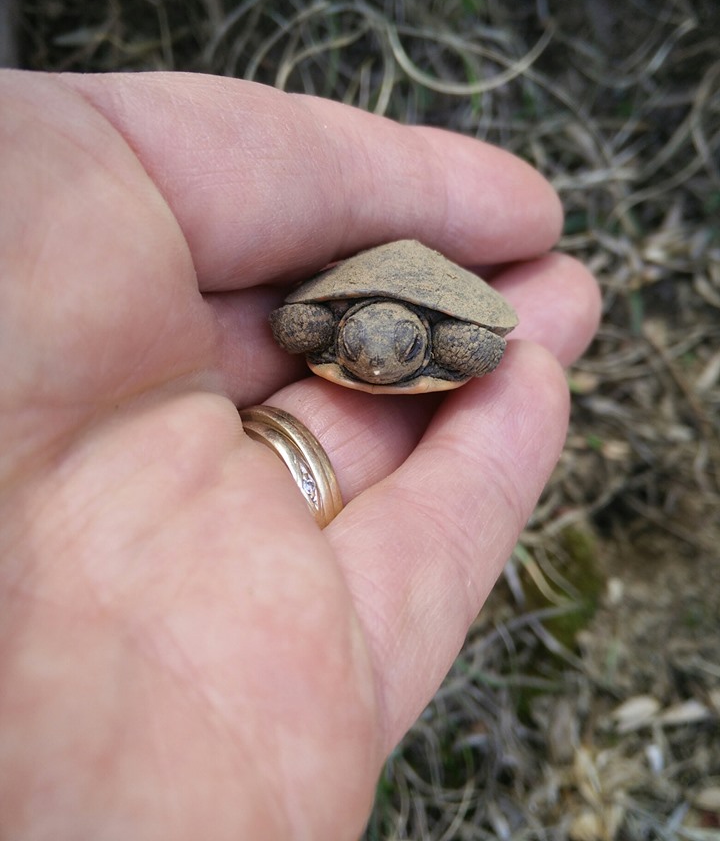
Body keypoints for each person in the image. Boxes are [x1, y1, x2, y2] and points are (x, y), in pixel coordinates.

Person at [0, 70, 600, 840]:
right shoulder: (325, 327)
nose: (378, 369)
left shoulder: (447, 337)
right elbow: (295, 322)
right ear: (344, 334)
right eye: (361, 351)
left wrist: (447, 345)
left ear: (421, 341)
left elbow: (486, 338)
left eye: (399, 354)